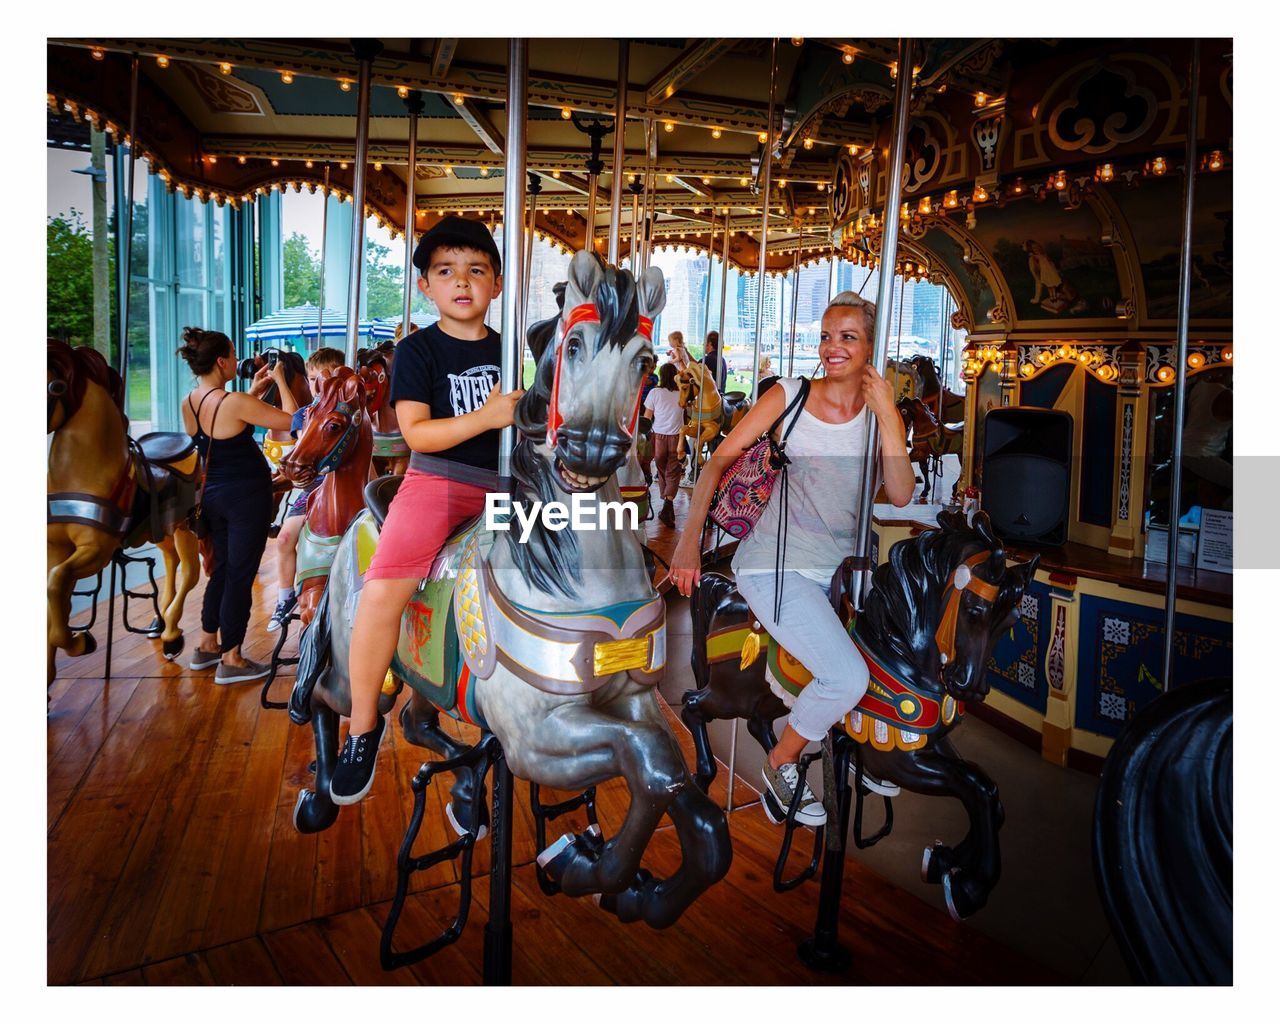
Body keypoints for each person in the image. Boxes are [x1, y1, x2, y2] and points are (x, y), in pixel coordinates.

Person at [668, 293, 915, 826]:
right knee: (847, 678)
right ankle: (780, 762)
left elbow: (899, 493)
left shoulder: (878, 418)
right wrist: (688, 542)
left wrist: (890, 416)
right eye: (827, 336)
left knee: (903, 659)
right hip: (776, 567)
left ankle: (866, 753)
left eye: (848, 337)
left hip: (846, 573)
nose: (832, 348)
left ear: (872, 345)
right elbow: (718, 461)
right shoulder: (792, 397)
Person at [329, 216, 522, 805]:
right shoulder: (417, 350)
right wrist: (486, 419)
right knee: (385, 589)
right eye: (446, 272)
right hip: (439, 482)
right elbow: (417, 433)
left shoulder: (508, 349)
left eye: (476, 271)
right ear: (425, 286)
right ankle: (362, 725)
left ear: (495, 283)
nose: (462, 282)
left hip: (504, 484)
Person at [179, 327, 296, 683]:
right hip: (246, 497)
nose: (236, 361)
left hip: (213, 494)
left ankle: (207, 643)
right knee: (240, 575)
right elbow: (294, 420)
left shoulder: (190, 402)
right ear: (220, 361)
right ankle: (232, 657)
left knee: (223, 569)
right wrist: (280, 381)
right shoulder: (234, 403)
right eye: (232, 355)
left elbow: (220, 427)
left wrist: (252, 394)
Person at [267, 347, 347, 632]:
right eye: (312, 379)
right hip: (314, 489)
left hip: (342, 487)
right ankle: (285, 596)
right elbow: (299, 440)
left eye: (323, 379)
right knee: (285, 537)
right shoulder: (306, 415)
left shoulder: (348, 414)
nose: (317, 386)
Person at [645, 362, 685, 526]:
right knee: (673, 471)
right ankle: (668, 503)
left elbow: (647, 417)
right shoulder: (682, 393)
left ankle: (666, 504)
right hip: (677, 438)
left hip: (659, 437)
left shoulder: (655, 392)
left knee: (661, 470)